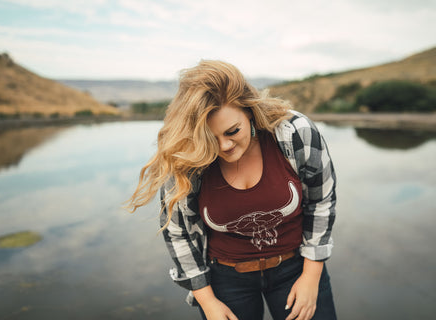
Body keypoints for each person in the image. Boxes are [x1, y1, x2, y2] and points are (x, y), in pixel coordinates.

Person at [127, 60, 337, 320]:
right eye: (209, 138)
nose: (224, 146)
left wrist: (311, 276)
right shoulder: (186, 155)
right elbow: (177, 231)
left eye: (232, 131)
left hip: (297, 267)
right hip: (225, 280)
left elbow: (321, 202)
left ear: (249, 110)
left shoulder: (295, 133)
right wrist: (208, 302)